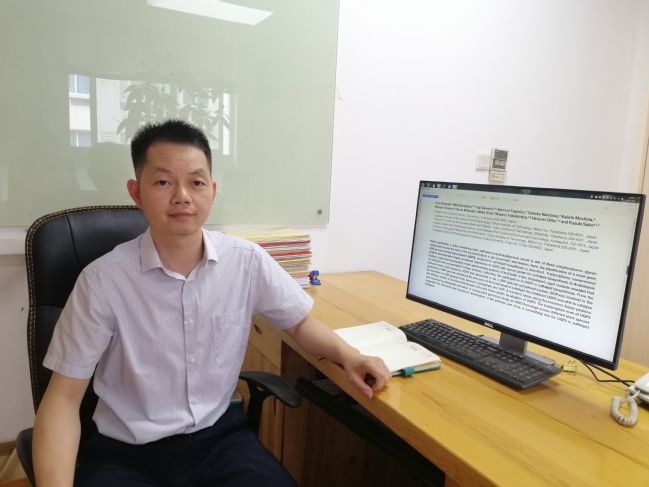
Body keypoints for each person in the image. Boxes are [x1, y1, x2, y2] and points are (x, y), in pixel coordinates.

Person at [32, 119, 392, 487]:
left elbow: (299, 322)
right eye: (163, 182)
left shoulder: (246, 261)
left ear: (212, 191)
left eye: (196, 182)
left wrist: (350, 356)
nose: (182, 196)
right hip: (126, 454)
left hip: (218, 441)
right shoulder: (102, 281)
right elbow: (63, 399)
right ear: (136, 193)